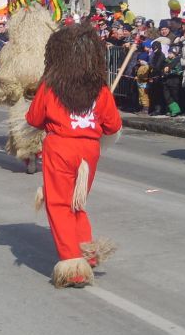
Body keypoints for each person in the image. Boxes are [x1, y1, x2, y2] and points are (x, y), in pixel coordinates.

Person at [26, 22, 122, 289]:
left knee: (58, 206)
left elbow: (33, 119)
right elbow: (113, 126)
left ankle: (73, 267)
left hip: (60, 147)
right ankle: (87, 254)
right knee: (77, 204)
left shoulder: (50, 86)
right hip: (88, 152)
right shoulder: (100, 89)